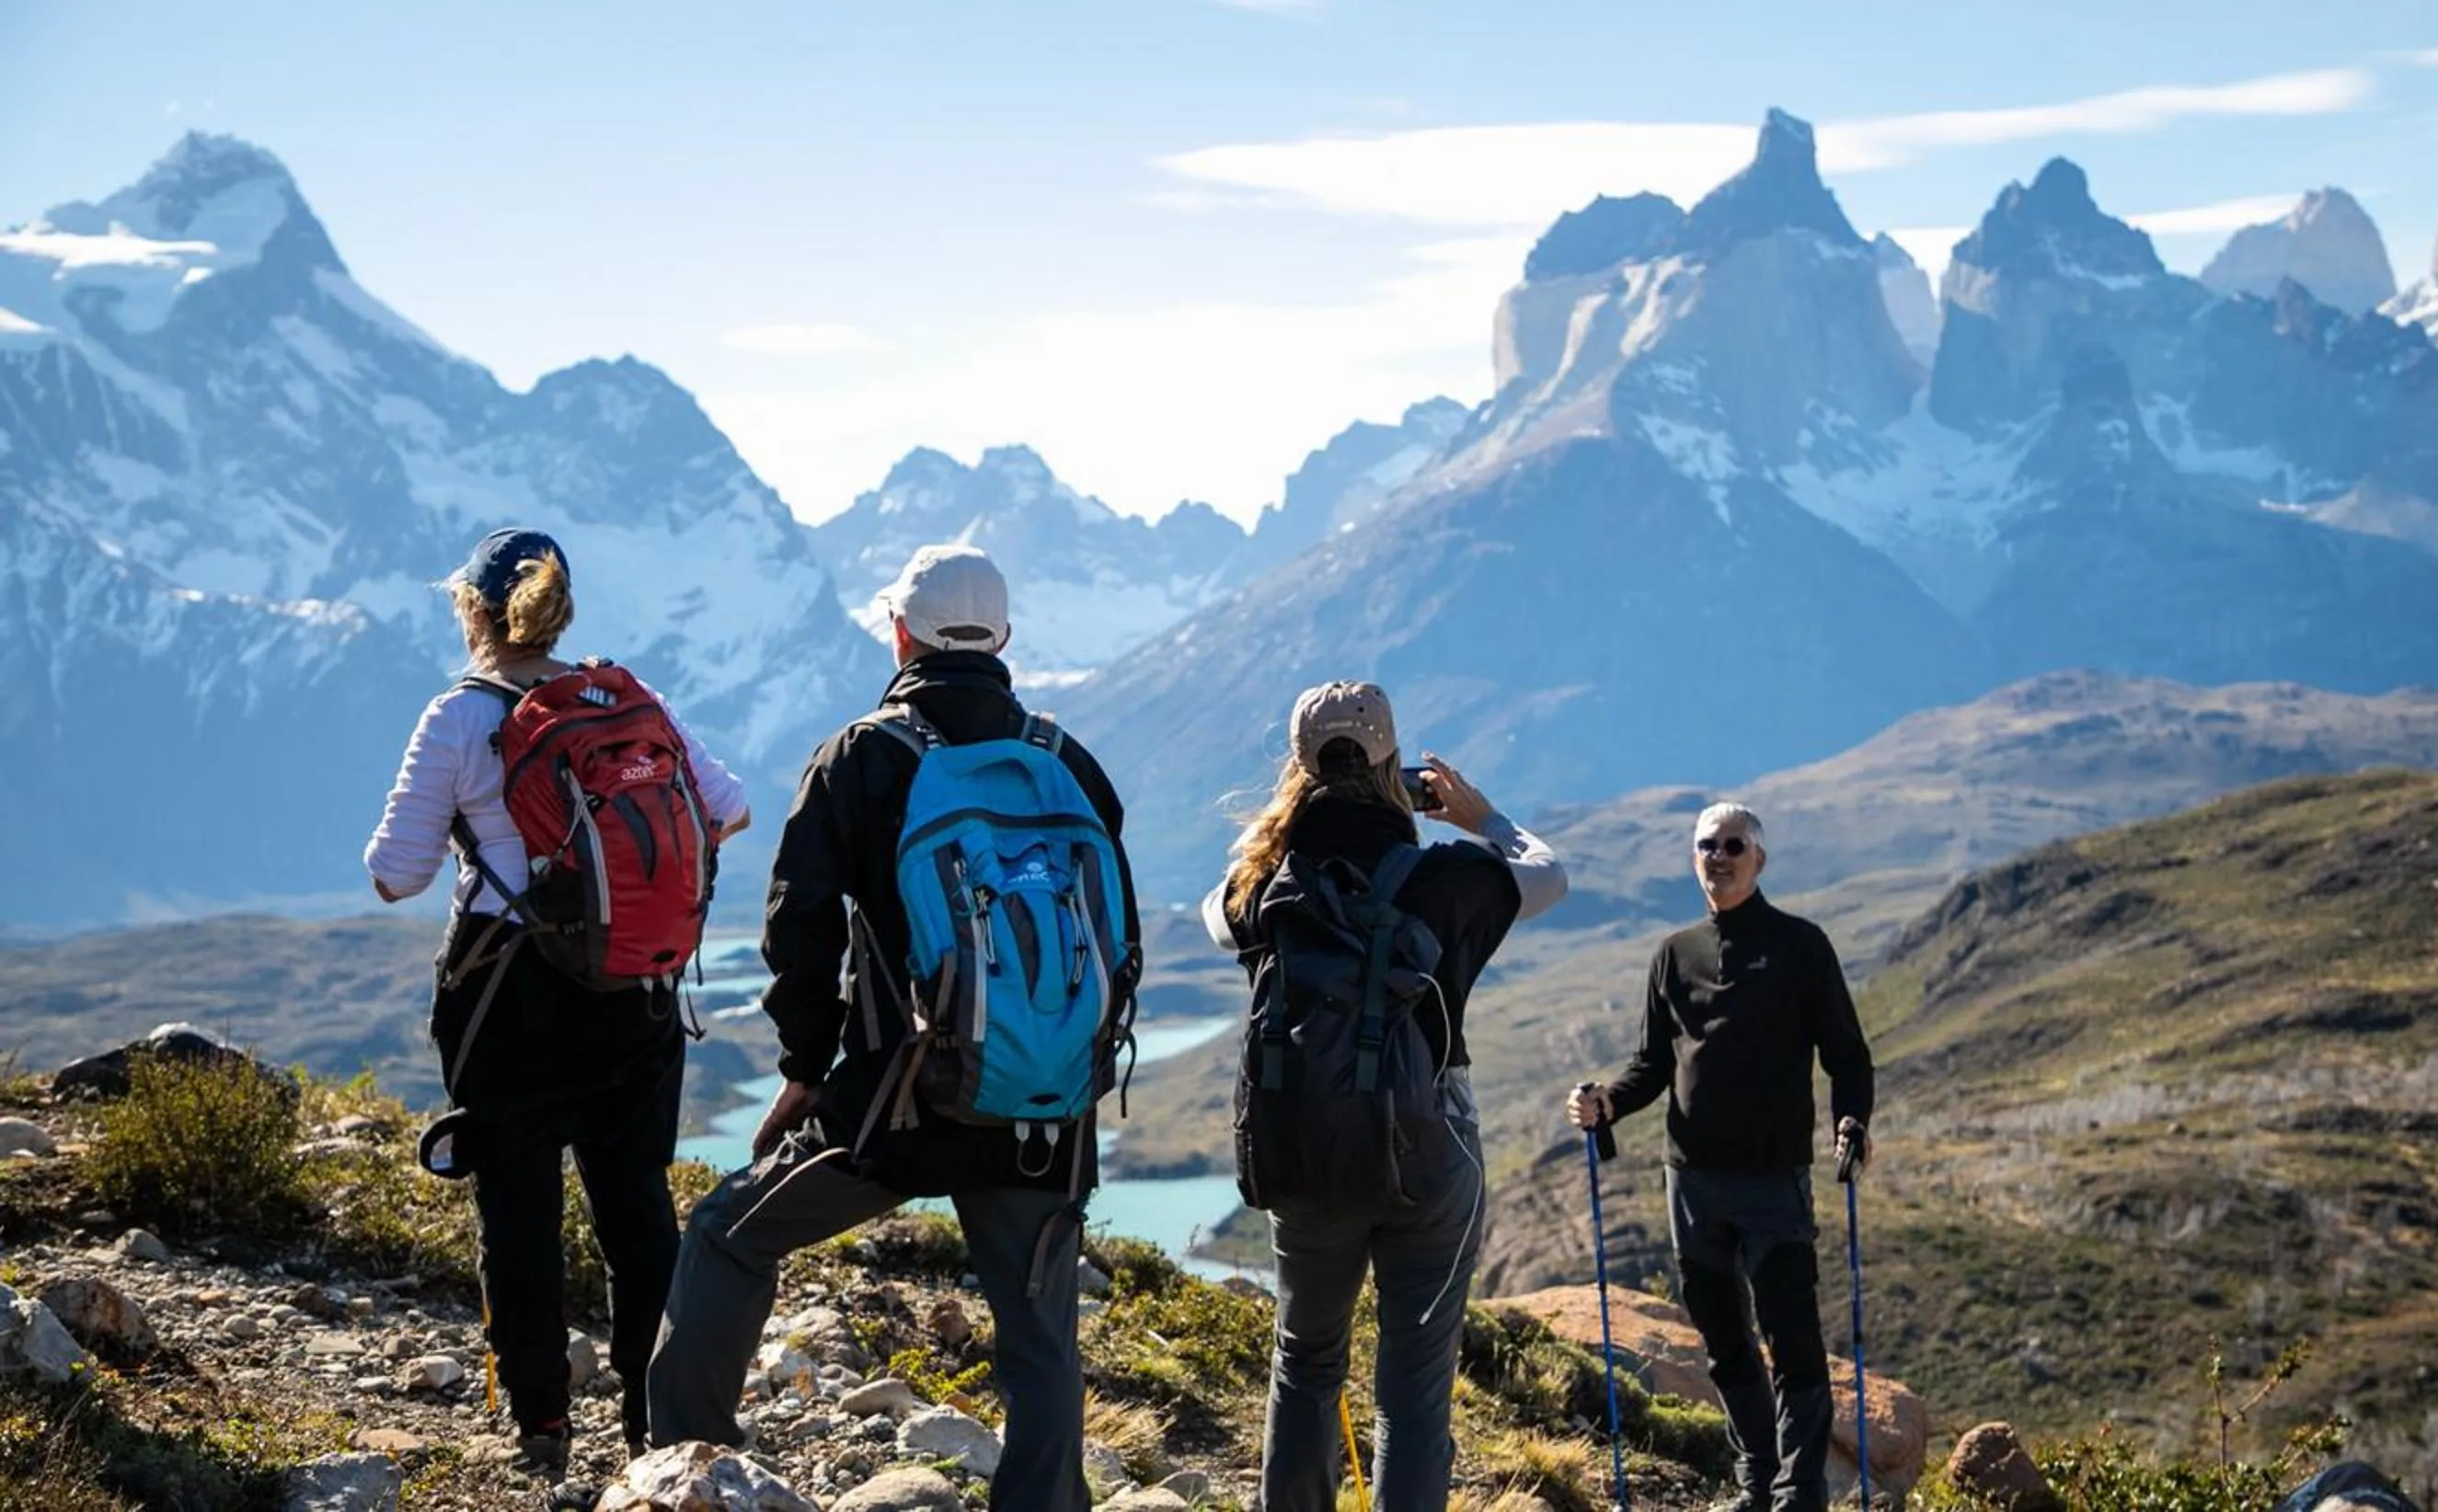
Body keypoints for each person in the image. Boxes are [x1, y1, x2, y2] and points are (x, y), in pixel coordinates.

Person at [647, 544, 1140, 1512]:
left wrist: (804, 1066)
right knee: (1040, 1340)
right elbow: (1114, 935)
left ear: (901, 633)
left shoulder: (860, 757)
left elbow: (799, 925)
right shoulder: (1065, 761)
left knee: (726, 1235)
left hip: (894, 1105)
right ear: (1002, 637)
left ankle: (686, 1476)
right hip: (1042, 1110)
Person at [366, 527, 752, 1475]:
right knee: (638, 1211)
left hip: (510, 993)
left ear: (473, 609)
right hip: (635, 990)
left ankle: (541, 1427)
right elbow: (730, 808)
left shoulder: (459, 717)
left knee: (520, 1211)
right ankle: (655, 1423)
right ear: (560, 608)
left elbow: (396, 874)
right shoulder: (627, 696)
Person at [1204, 681, 1568, 1512]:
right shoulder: (1448, 878)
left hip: (1305, 1149)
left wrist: (1280, 824)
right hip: (1429, 1151)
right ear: (1392, 759)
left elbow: (1213, 915)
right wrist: (1483, 818)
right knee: (1412, 1387)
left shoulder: (1267, 884)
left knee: (1305, 1363)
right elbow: (1547, 877)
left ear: (1298, 769)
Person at [1566, 802, 1872, 1512]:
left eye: (1734, 845)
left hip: (1773, 1179)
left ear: (1759, 858)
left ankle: (1799, 1495)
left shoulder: (1801, 946)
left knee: (1792, 1339)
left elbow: (1847, 1055)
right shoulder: (1674, 954)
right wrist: (1608, 1102)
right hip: (1692, 1181)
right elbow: (1652, 1064)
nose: (1719, 857)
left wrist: (1853, 1121)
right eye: (1707, 846)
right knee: (1724, 1341)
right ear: (1693, 857)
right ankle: (1757, 1484)